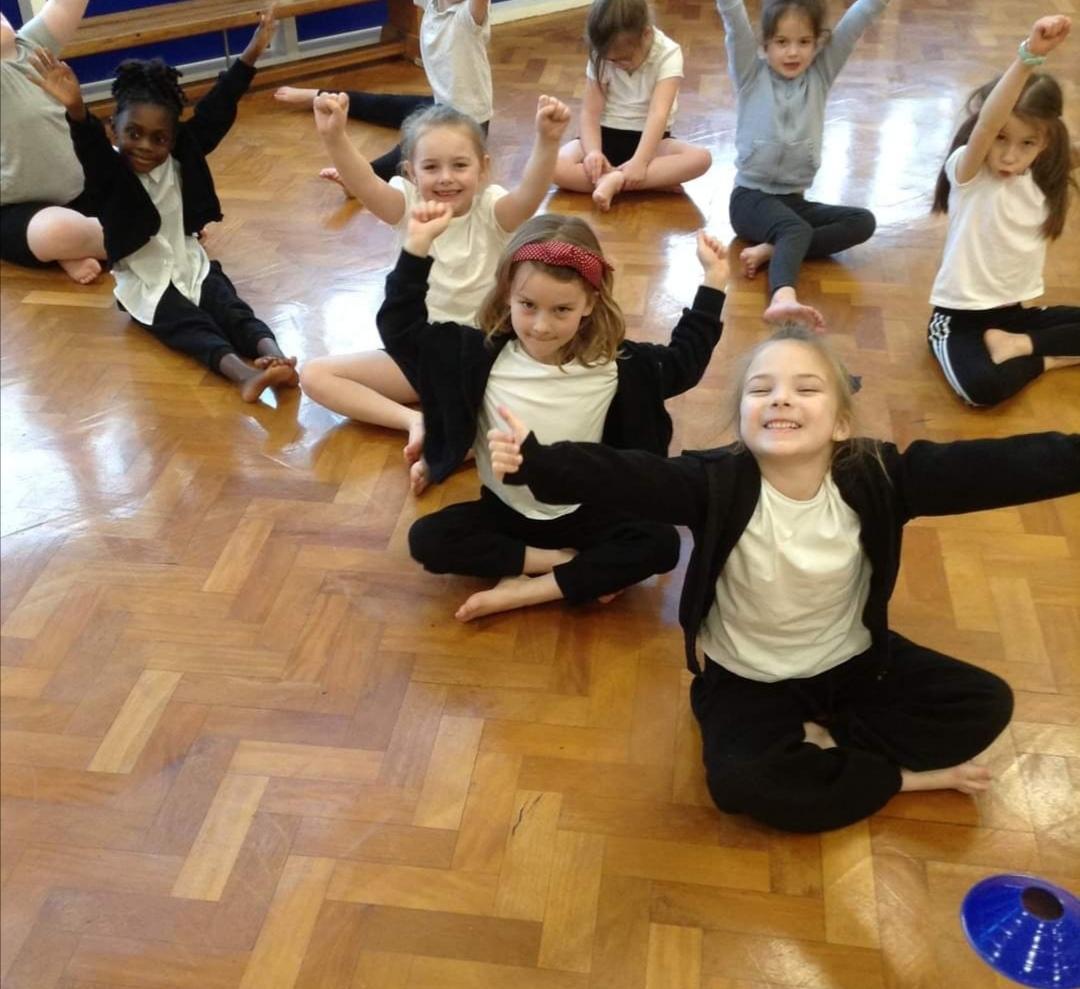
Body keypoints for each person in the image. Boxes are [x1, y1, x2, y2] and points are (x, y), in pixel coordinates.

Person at [487, 325, 1080, 832]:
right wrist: (537, 462)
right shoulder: (714, 482)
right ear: (742, 420)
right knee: (740, 785)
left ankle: (827, 745)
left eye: (806, 388)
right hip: (748, 678)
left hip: (850, 661)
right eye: (761, 389)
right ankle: (896, 777)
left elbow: (998, 467)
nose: (781, 399)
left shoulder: (880, 475)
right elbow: (626, 475)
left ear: (841, 423)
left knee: (985, 704)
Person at [378, 204, 730, 621]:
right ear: (507, 293)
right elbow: (402, 331)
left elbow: (685, 361)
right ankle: (561, 565)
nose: (541, 326)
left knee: (663, 544)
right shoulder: (474, 354)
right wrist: (416, 248)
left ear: (590, 303)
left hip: (588, 512)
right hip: (505, 513)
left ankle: (526, 590)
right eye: (528, 305)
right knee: (427, 539)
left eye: (561, 309)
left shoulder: (620, 366)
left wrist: (714, 283)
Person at [30, 12, 299, 403]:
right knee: (191, 327)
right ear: (114, 129)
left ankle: (275, 357)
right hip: (147, 282)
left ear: (173, 140)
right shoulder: (109, 172)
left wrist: (252, 53)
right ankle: (243, 376)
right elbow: (89, 146)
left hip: (191, 264)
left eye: (159, 139)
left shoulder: (182, 155)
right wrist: (75, 110)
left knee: (232, 309)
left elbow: (219, 105)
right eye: (134, 133)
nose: (144, 146)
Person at [301, 95, 570, 480]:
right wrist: (335, 137)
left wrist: (547, 140)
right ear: (411, 172)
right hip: (422, 353)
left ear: (483, 168)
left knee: (545, 393)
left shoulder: (490, 208)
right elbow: (364, 183)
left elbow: (528, 197)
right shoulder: (405, 204)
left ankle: (459, 434)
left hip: (483, 353)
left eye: (460, 165)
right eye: (431, 167)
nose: (446, 177)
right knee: (315, 375)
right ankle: (417, 421)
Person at [927, 14, 1078, 407]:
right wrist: (1029, 57)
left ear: (1045, 144)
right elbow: (986, 123)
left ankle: (1021, 344)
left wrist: (1021, 338)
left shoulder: (1043, 175)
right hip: (958, 320)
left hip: (1014, 318)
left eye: (1027, 143)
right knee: (983, 389)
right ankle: (1046, 357)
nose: (1010, 155)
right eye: (1001, 138)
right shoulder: (970, 173)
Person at [716, 0, 885, 329]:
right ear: (765, 44)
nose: (793, 52)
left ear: (818, 43)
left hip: (793, 202)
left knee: (863, 221)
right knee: (794, 229)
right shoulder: (750, 73)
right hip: (750, 200)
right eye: (782, 42)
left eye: (804, 42)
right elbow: (734, 20)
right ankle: (783, 295)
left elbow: (857, 20)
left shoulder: (820, 75)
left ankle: (774, 249)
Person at [275, 0, 492, 190]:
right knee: (386, 104)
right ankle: (319, 95)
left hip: (468, 121)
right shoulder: (432, 4)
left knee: (414, 146)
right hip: (440, 103)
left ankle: (360, 180)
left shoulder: (469, 17)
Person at [552, 0, 711, 211]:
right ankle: (643, 182)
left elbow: (658, 114)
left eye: (624, 59)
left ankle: (616, 180)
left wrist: (641, 161)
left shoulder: (669, 53)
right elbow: (590, 113)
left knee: (701, 158)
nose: (617, 65)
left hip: (649, 143)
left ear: (646, 34)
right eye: (611, 61)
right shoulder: (602, 52)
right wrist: (593, 153)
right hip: (604, 136)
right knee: (552, 166)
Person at [1, 0, 105, 283]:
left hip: (85, 188)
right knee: (57, 233)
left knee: (138, 163)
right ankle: (152, 234)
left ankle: (78, 248)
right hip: (21, 212)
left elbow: (65, 6)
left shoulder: (32, 45)